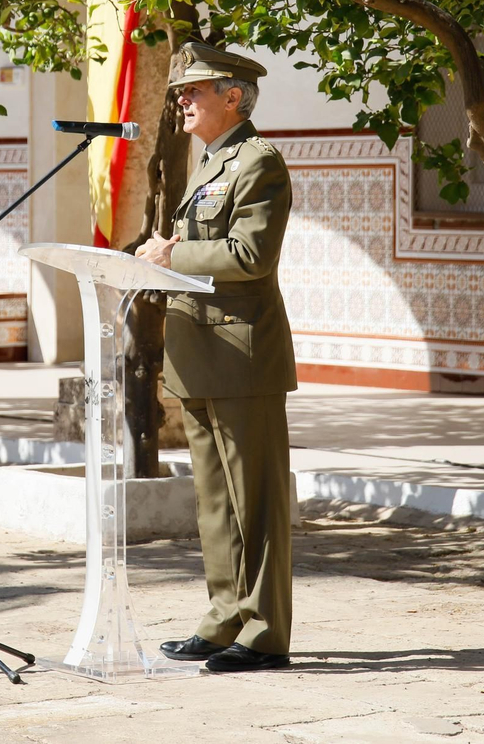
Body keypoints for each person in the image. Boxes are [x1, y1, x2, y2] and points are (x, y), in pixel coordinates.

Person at [137, 41, 298, 674]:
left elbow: (250, 257)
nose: (182, 98)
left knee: (253, 502)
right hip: (199, 353)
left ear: (233, 97)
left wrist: (170, 257)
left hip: (241, 356)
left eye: (194, 90)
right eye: (181, 90)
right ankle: (222, 617)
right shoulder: (209, 164)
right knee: (214, 501)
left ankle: (263, 635)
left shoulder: (259, 163)